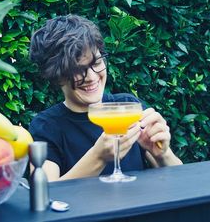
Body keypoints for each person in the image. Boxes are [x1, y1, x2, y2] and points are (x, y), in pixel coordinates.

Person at [28, 15, 182, 182]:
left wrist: (162, 154)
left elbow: (179, 181)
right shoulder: (46, 126)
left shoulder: (128, 106)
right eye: (77, 69)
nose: (91, 77)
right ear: (56, 76)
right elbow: (45, 193)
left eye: (96, 63)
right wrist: (98, 157)